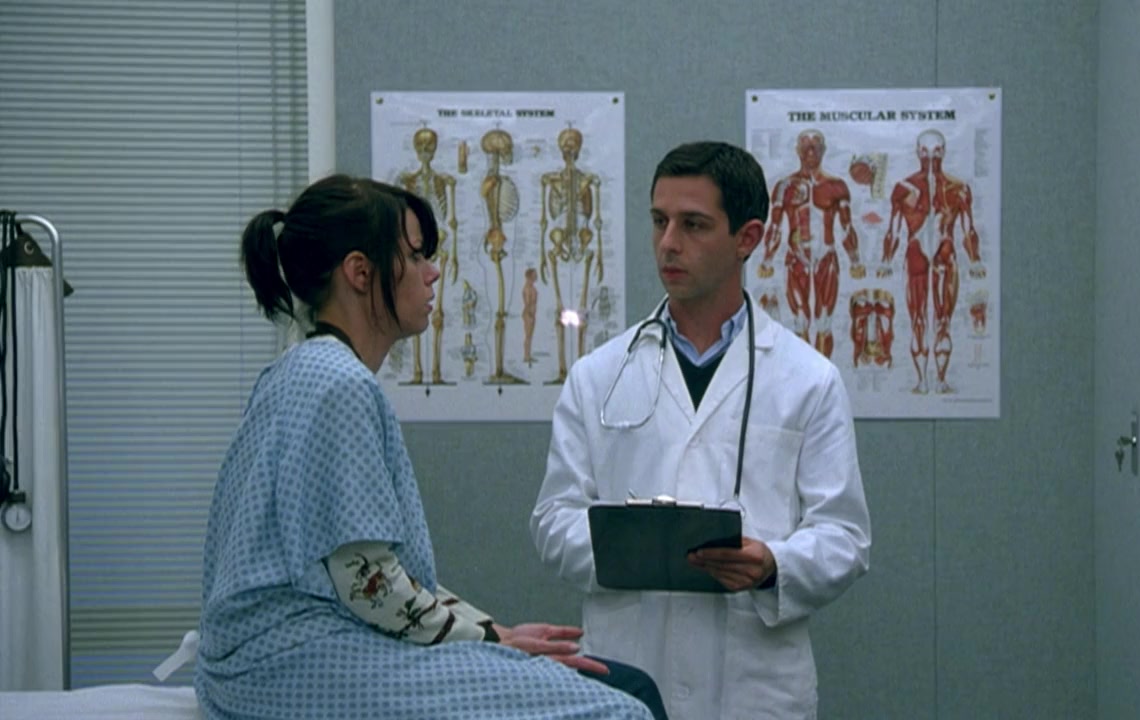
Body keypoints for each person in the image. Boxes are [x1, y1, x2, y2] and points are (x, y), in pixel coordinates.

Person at [197, 174, 663, 719]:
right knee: (621, 707)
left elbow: (374, 575)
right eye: (416, 255)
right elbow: (369, 584)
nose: (433, 271)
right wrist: (492, 641)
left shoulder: (297, 372)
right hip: (290, 662)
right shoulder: (339, 385)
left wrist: (492, 630)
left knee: (624, 686)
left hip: (261, 659)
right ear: (359, 272)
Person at [531, 142, 872, 720]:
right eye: (659, 221)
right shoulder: (599, 376)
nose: (668, 243)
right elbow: (553, 518)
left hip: (751, 687)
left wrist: (773, 564)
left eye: (693, 224)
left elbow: (844, 534)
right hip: (629, 674)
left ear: (748, 237)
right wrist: (633, 549)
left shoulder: (808, 380)